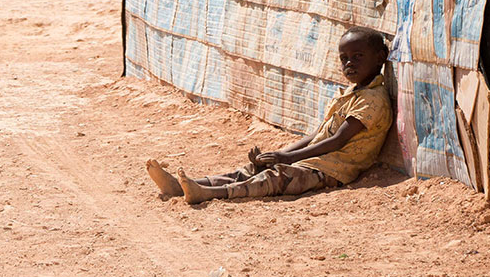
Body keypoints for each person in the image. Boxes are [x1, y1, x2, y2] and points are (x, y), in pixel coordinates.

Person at [146, 26, 392, 204]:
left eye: (358, 57)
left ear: (380, 57)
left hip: (332, 171)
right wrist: (280, 155)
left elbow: (337, 141)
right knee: (251, 170)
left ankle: (209, 193)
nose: (349, 64)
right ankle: (182, 185)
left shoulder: (373, 99)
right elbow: (319, 134)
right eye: (344, 58)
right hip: (314, 160)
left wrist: (286, 159)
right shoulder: (351, 94)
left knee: (275, 179)